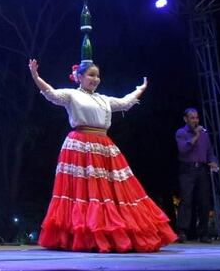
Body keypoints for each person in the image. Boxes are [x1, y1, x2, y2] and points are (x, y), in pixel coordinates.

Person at [28, 59, 177, 253]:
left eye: (97, 75)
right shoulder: (72, 95)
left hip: (104, 146)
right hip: (80, 145)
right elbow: (51, 94)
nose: (95, 79)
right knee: (83, 192)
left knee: (111, 192)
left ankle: (111, 232)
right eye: (90, 75)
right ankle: (83, 234)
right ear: (79, 77)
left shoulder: (103, 99)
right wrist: (36, 76)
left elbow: (124, 102)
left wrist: (140, 89)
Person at [175, 108, 219, 243]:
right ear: (186, 119)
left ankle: (204, 233)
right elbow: (183, 149)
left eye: (197, 118)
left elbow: (210, 151)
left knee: (204, 201)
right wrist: (195, 135)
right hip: (187, 170)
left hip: (202, 170)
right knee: (186, 201)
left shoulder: (204, 134)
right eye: (192, 118)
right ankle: (182, 231)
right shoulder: (181, 133)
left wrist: (214, 162)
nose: (195, 120)